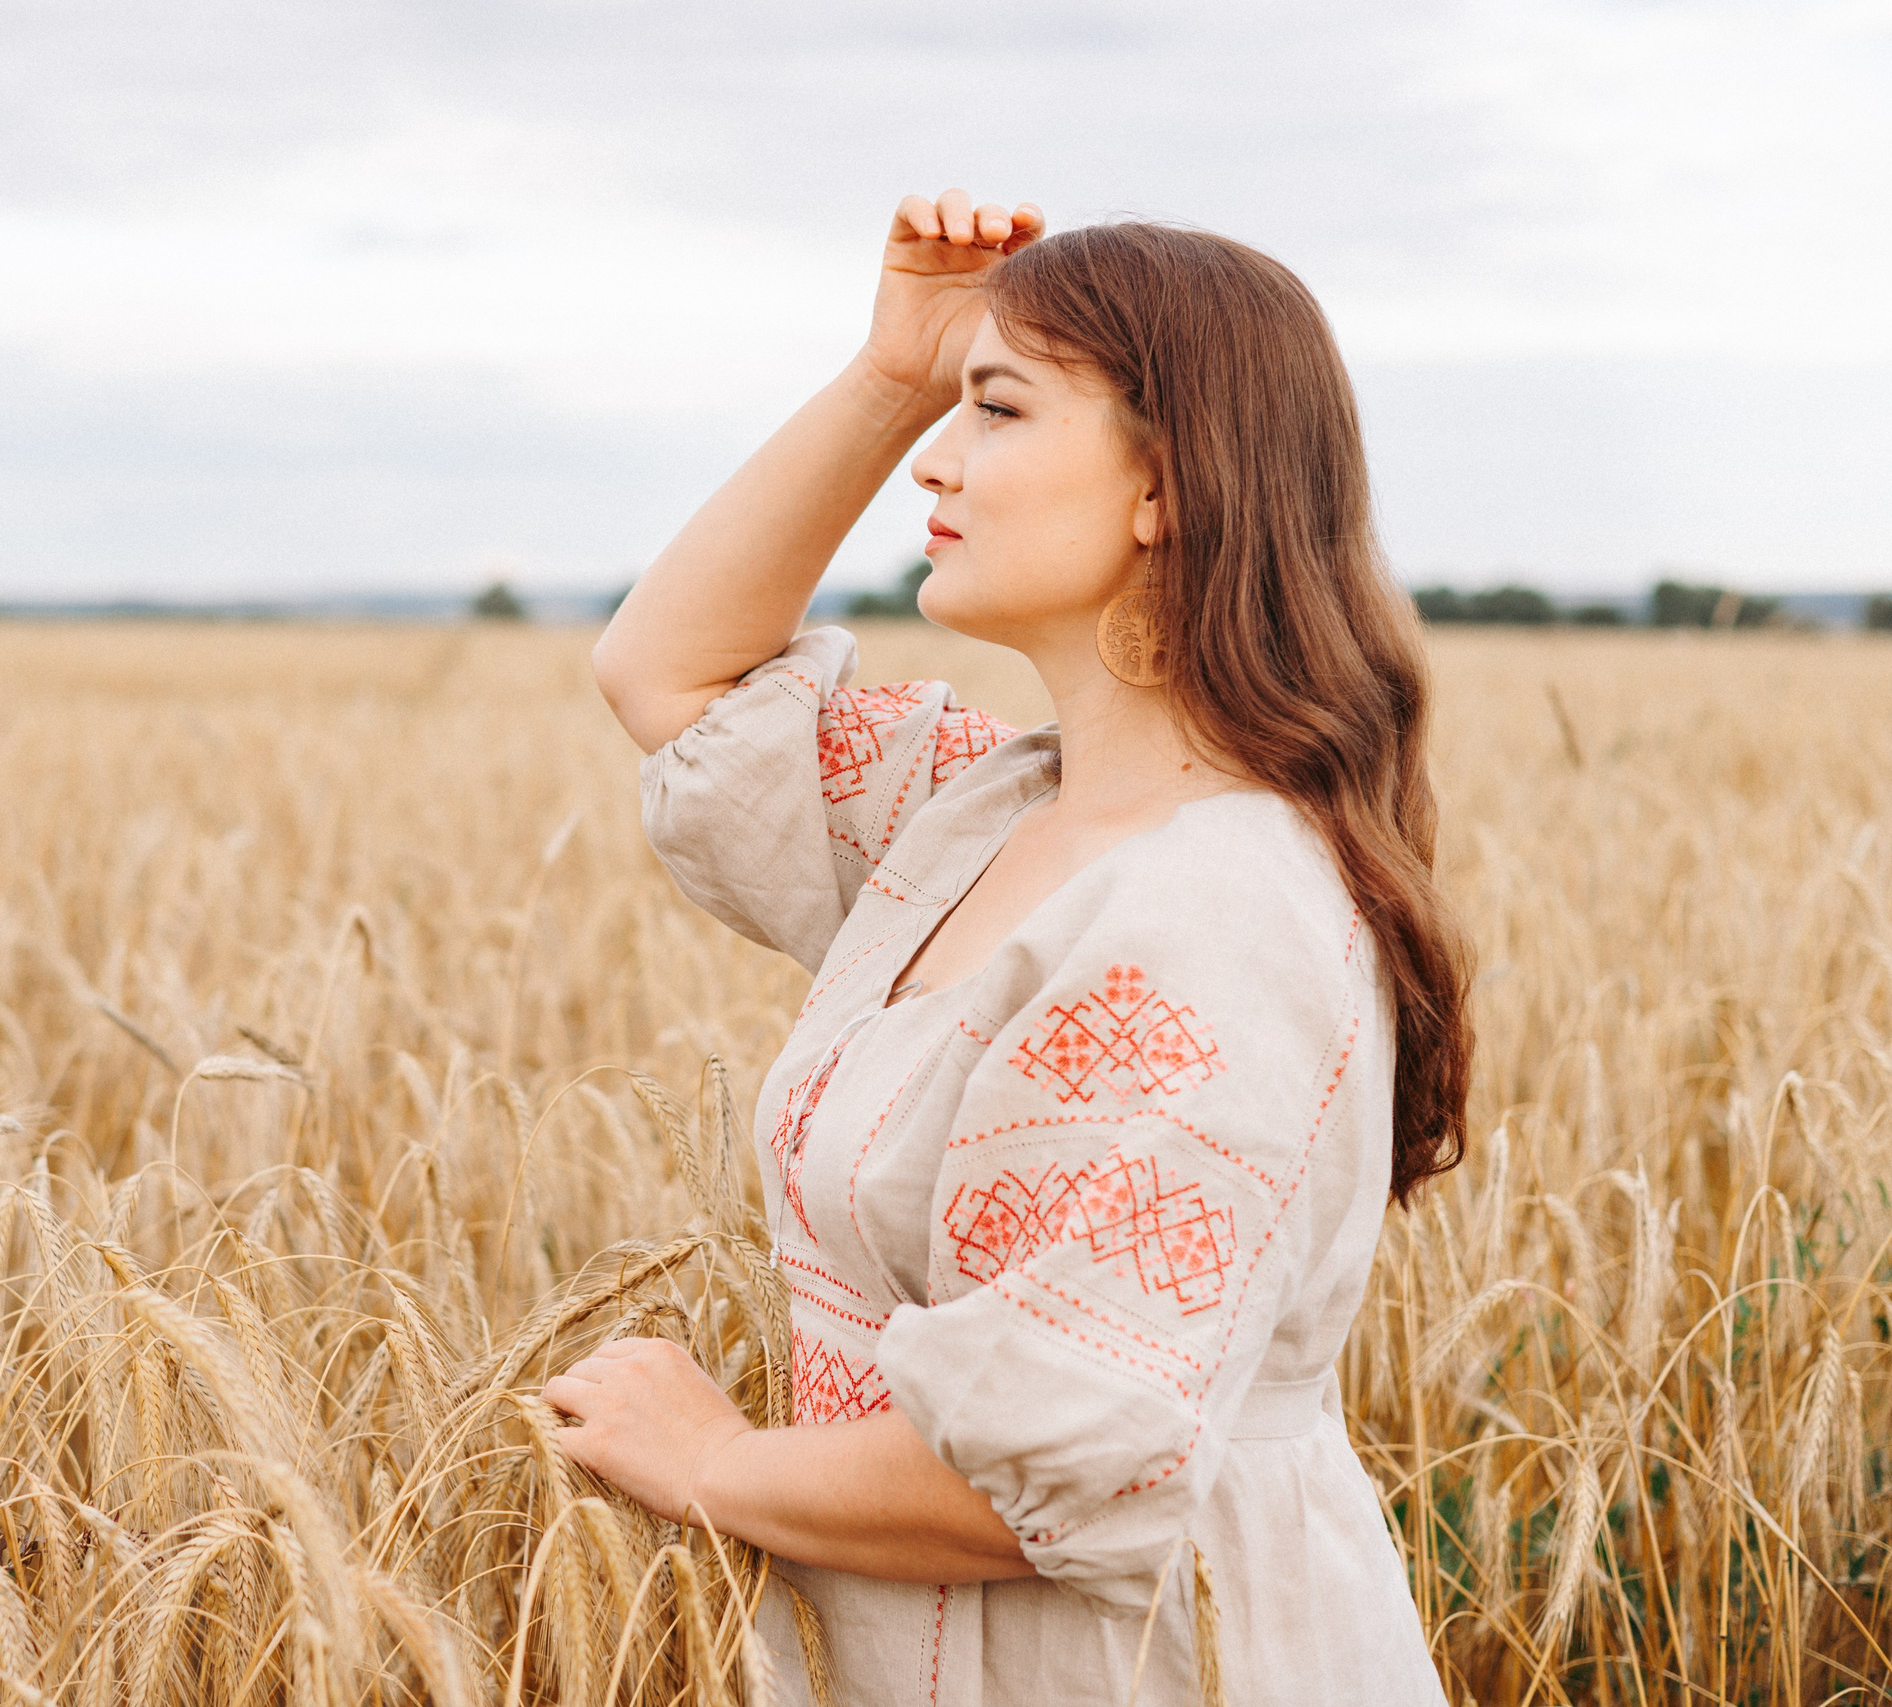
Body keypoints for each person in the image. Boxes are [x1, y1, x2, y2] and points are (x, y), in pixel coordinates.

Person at [542, 188, 1471, 1704]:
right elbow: (673, 673)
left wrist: (712, 1460)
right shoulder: (983, 814)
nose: (937, 458)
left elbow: (1048, 1476)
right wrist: (892, 369)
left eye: (998, 408)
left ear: (1167, 483)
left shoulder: (1213, 920)